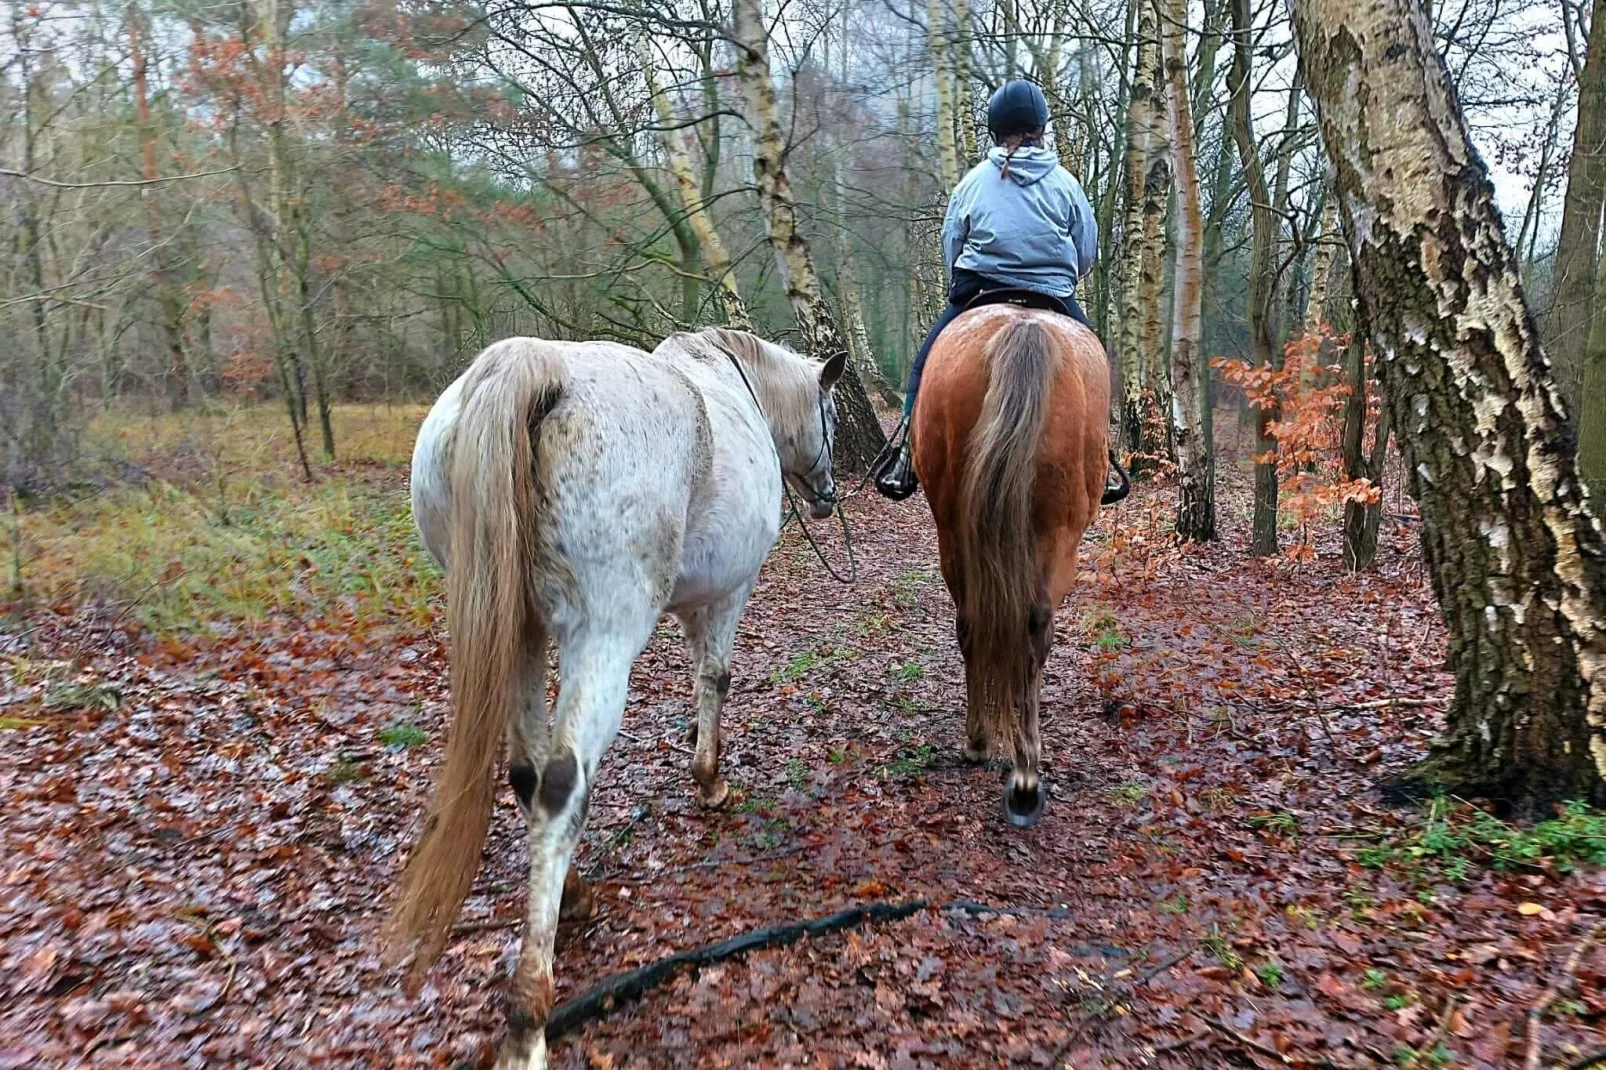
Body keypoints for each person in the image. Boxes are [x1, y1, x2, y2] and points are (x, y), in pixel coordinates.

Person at [875, 78, 1099, 501]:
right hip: (1052, 294)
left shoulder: (973, 183)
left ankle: (905, 451)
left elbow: (952, 244)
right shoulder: (1067, 184)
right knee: (1094, 361)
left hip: (979, 291)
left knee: (924, 365)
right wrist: (1064, 278)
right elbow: (1086, 249)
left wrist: (960, 285)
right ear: (1041, 127)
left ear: (995, 130)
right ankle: (1103, 455)